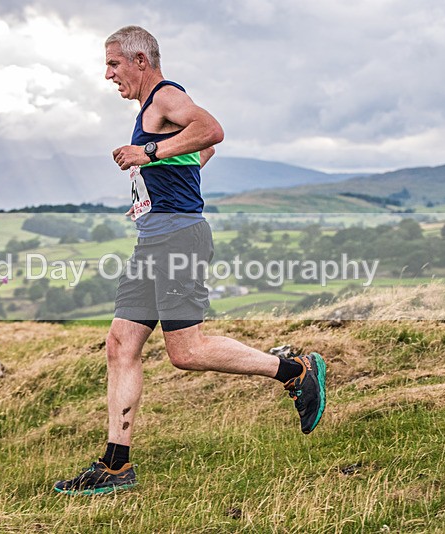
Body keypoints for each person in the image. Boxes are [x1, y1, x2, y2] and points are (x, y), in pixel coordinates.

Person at [54, 26, 326, 496]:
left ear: (141, 60)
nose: (107, 74)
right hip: (153, 240)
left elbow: (212, 130)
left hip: (179, 240)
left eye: (114, 64)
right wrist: (162, 185)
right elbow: (205, 150)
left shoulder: (166, 96)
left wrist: (149, 152)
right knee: (120, 344)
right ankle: (116, 467)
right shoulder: (150, 108)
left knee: (187, 352)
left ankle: (296, 371)